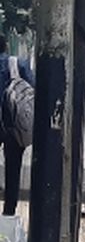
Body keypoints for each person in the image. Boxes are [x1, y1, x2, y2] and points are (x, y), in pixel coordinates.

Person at [0, 36, 34, 217]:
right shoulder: (18, 64)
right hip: (15, 127)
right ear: (5, 46)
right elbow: (33, 90)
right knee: (13, 171)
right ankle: (8, 214)